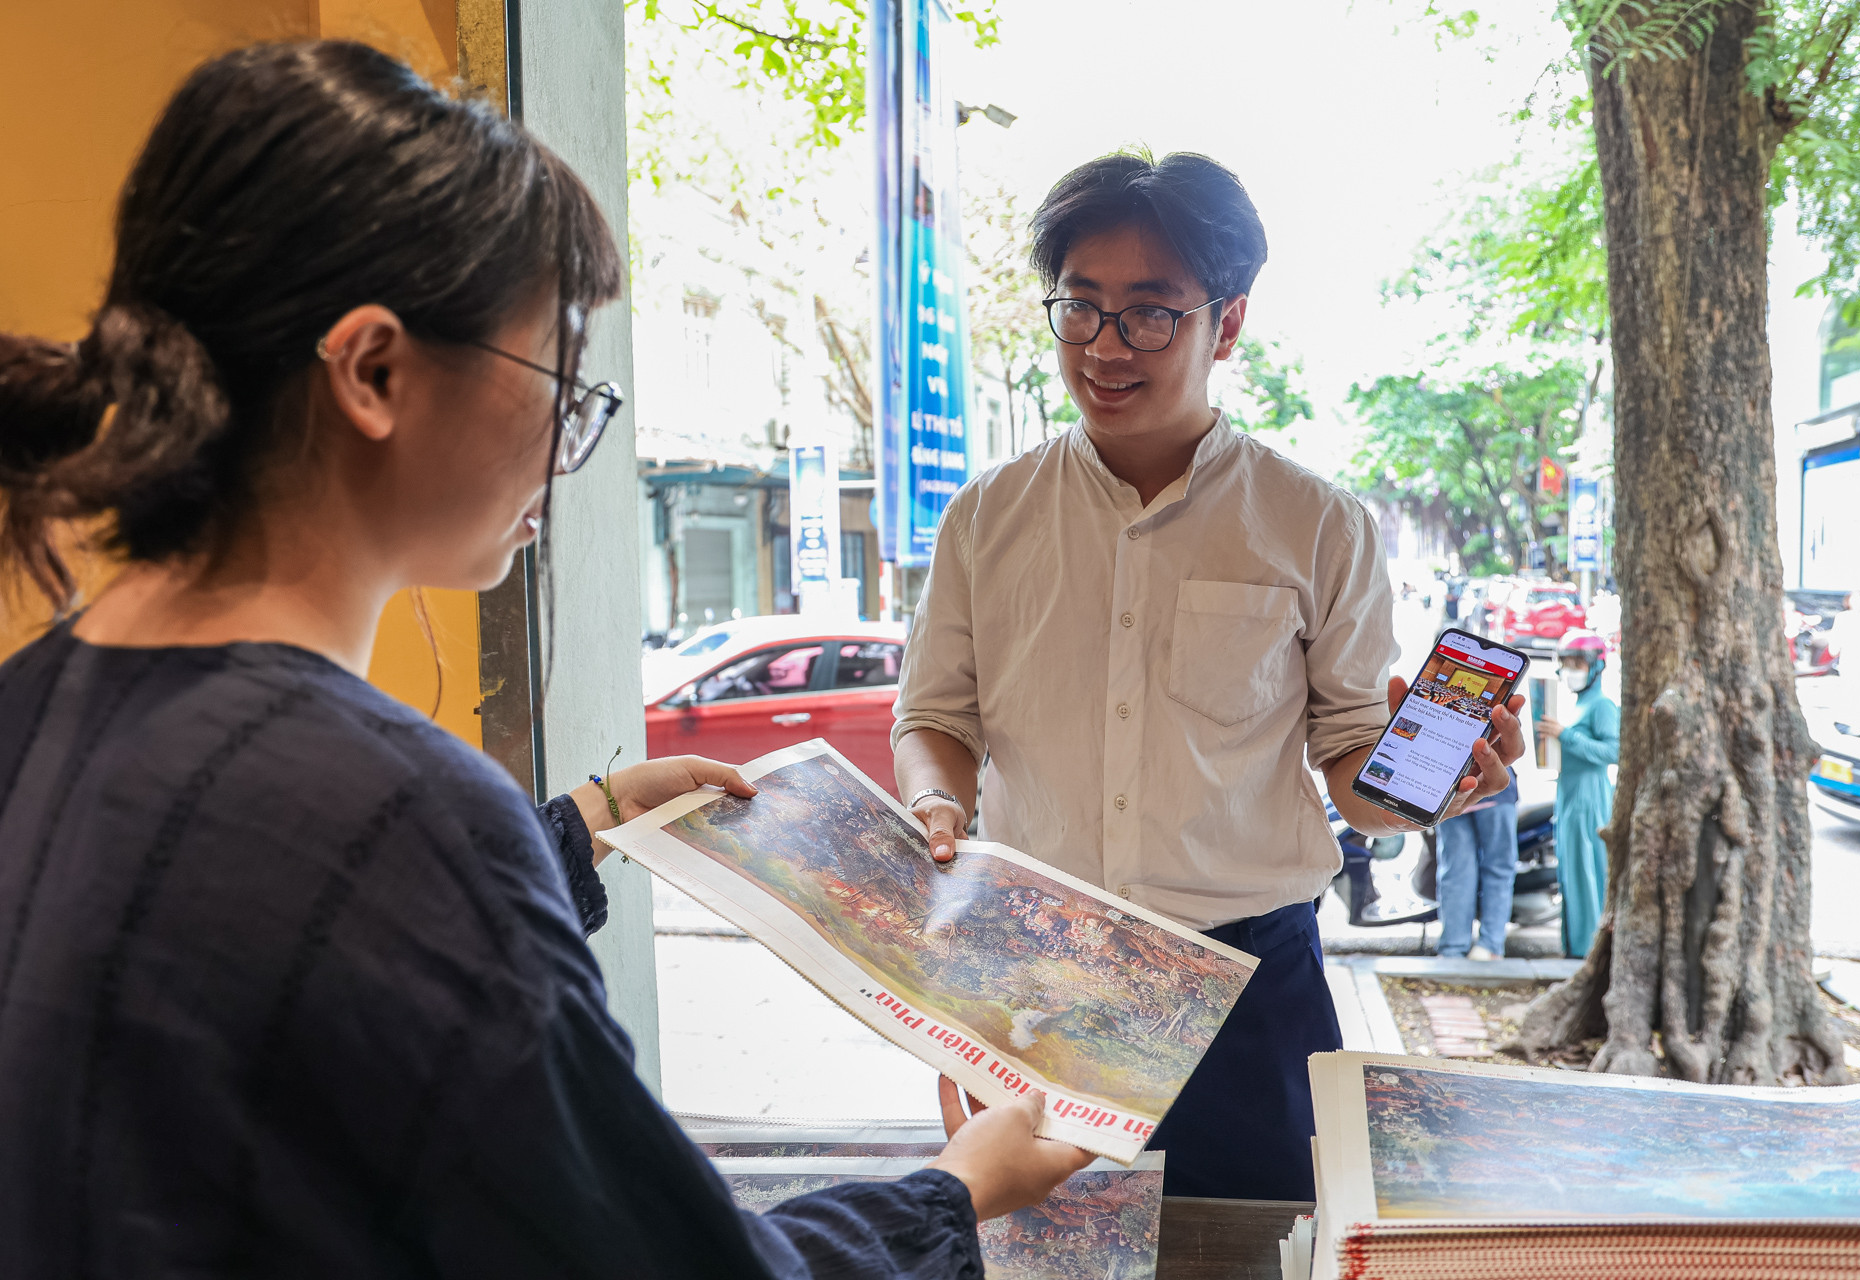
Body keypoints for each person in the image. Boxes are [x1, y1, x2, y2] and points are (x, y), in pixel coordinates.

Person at [0, 41, 1088, 1278]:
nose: (572, 433)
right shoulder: (392, 813)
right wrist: (953, 1191)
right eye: (560, 375)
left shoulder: (40, 702)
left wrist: (578, 825)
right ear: (372, 370)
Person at [890, 150, 1526, 1201]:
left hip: (1248, 994)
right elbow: (935, 713)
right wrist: (935, 802)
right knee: (1041, 1259)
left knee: (1257, 1249)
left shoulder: (1318, 524)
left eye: (1150, 313)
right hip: (1036, 973)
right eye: (1079, 307)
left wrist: (1434, 781)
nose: (1104, 346)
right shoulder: (986, 517)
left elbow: (1356, 779)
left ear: (1227, 323)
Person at [1535, 631, 1618, 959]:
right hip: (1567, 796)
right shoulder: (1576, 703)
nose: (1571, 669)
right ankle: (1574, 947)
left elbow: (1614, 751)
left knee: (1587, 870)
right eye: (1566, 662)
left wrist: (1566, 736)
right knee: (1570, 870)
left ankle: (1588, 949)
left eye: (1577, 663)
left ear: (1595, 666)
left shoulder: (1602, 706)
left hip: (1589, 798)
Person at [1434, 773, 1520, 960]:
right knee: (1498, 870)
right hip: (1494, 788)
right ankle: (1489, 946)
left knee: (1456, 871)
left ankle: (1453, 947)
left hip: (1449, 790)